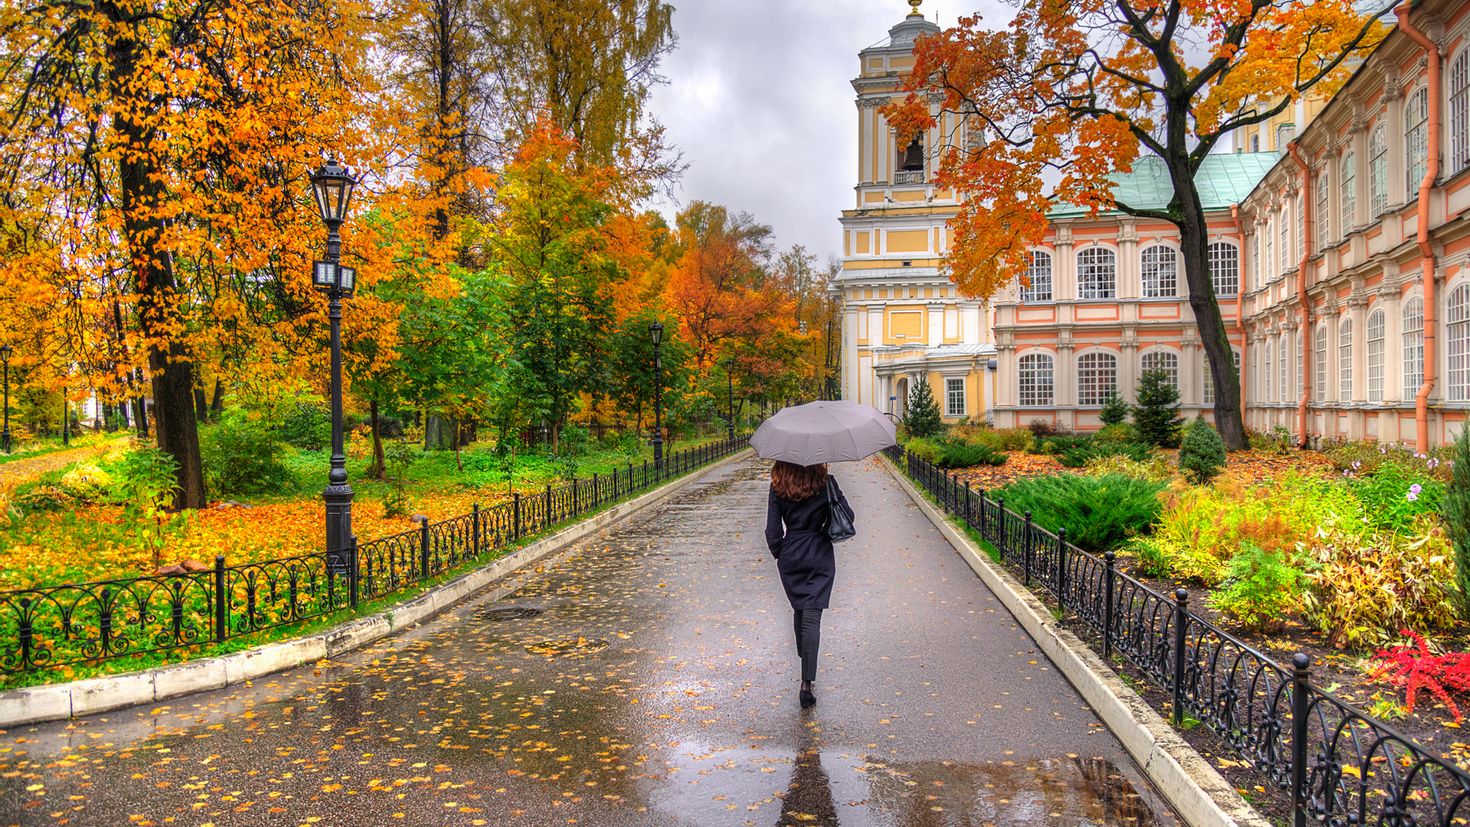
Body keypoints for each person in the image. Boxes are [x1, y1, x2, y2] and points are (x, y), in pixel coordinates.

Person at [764, 461, 851, 709]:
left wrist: (781, 553)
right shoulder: (825, 482)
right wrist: (822, 530)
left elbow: (772, 530)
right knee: (812, 615)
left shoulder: (778, 485)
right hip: (819, 552)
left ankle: (806, 659)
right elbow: (848, 515)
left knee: (800, 609)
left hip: (791, 552)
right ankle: (806, 684)